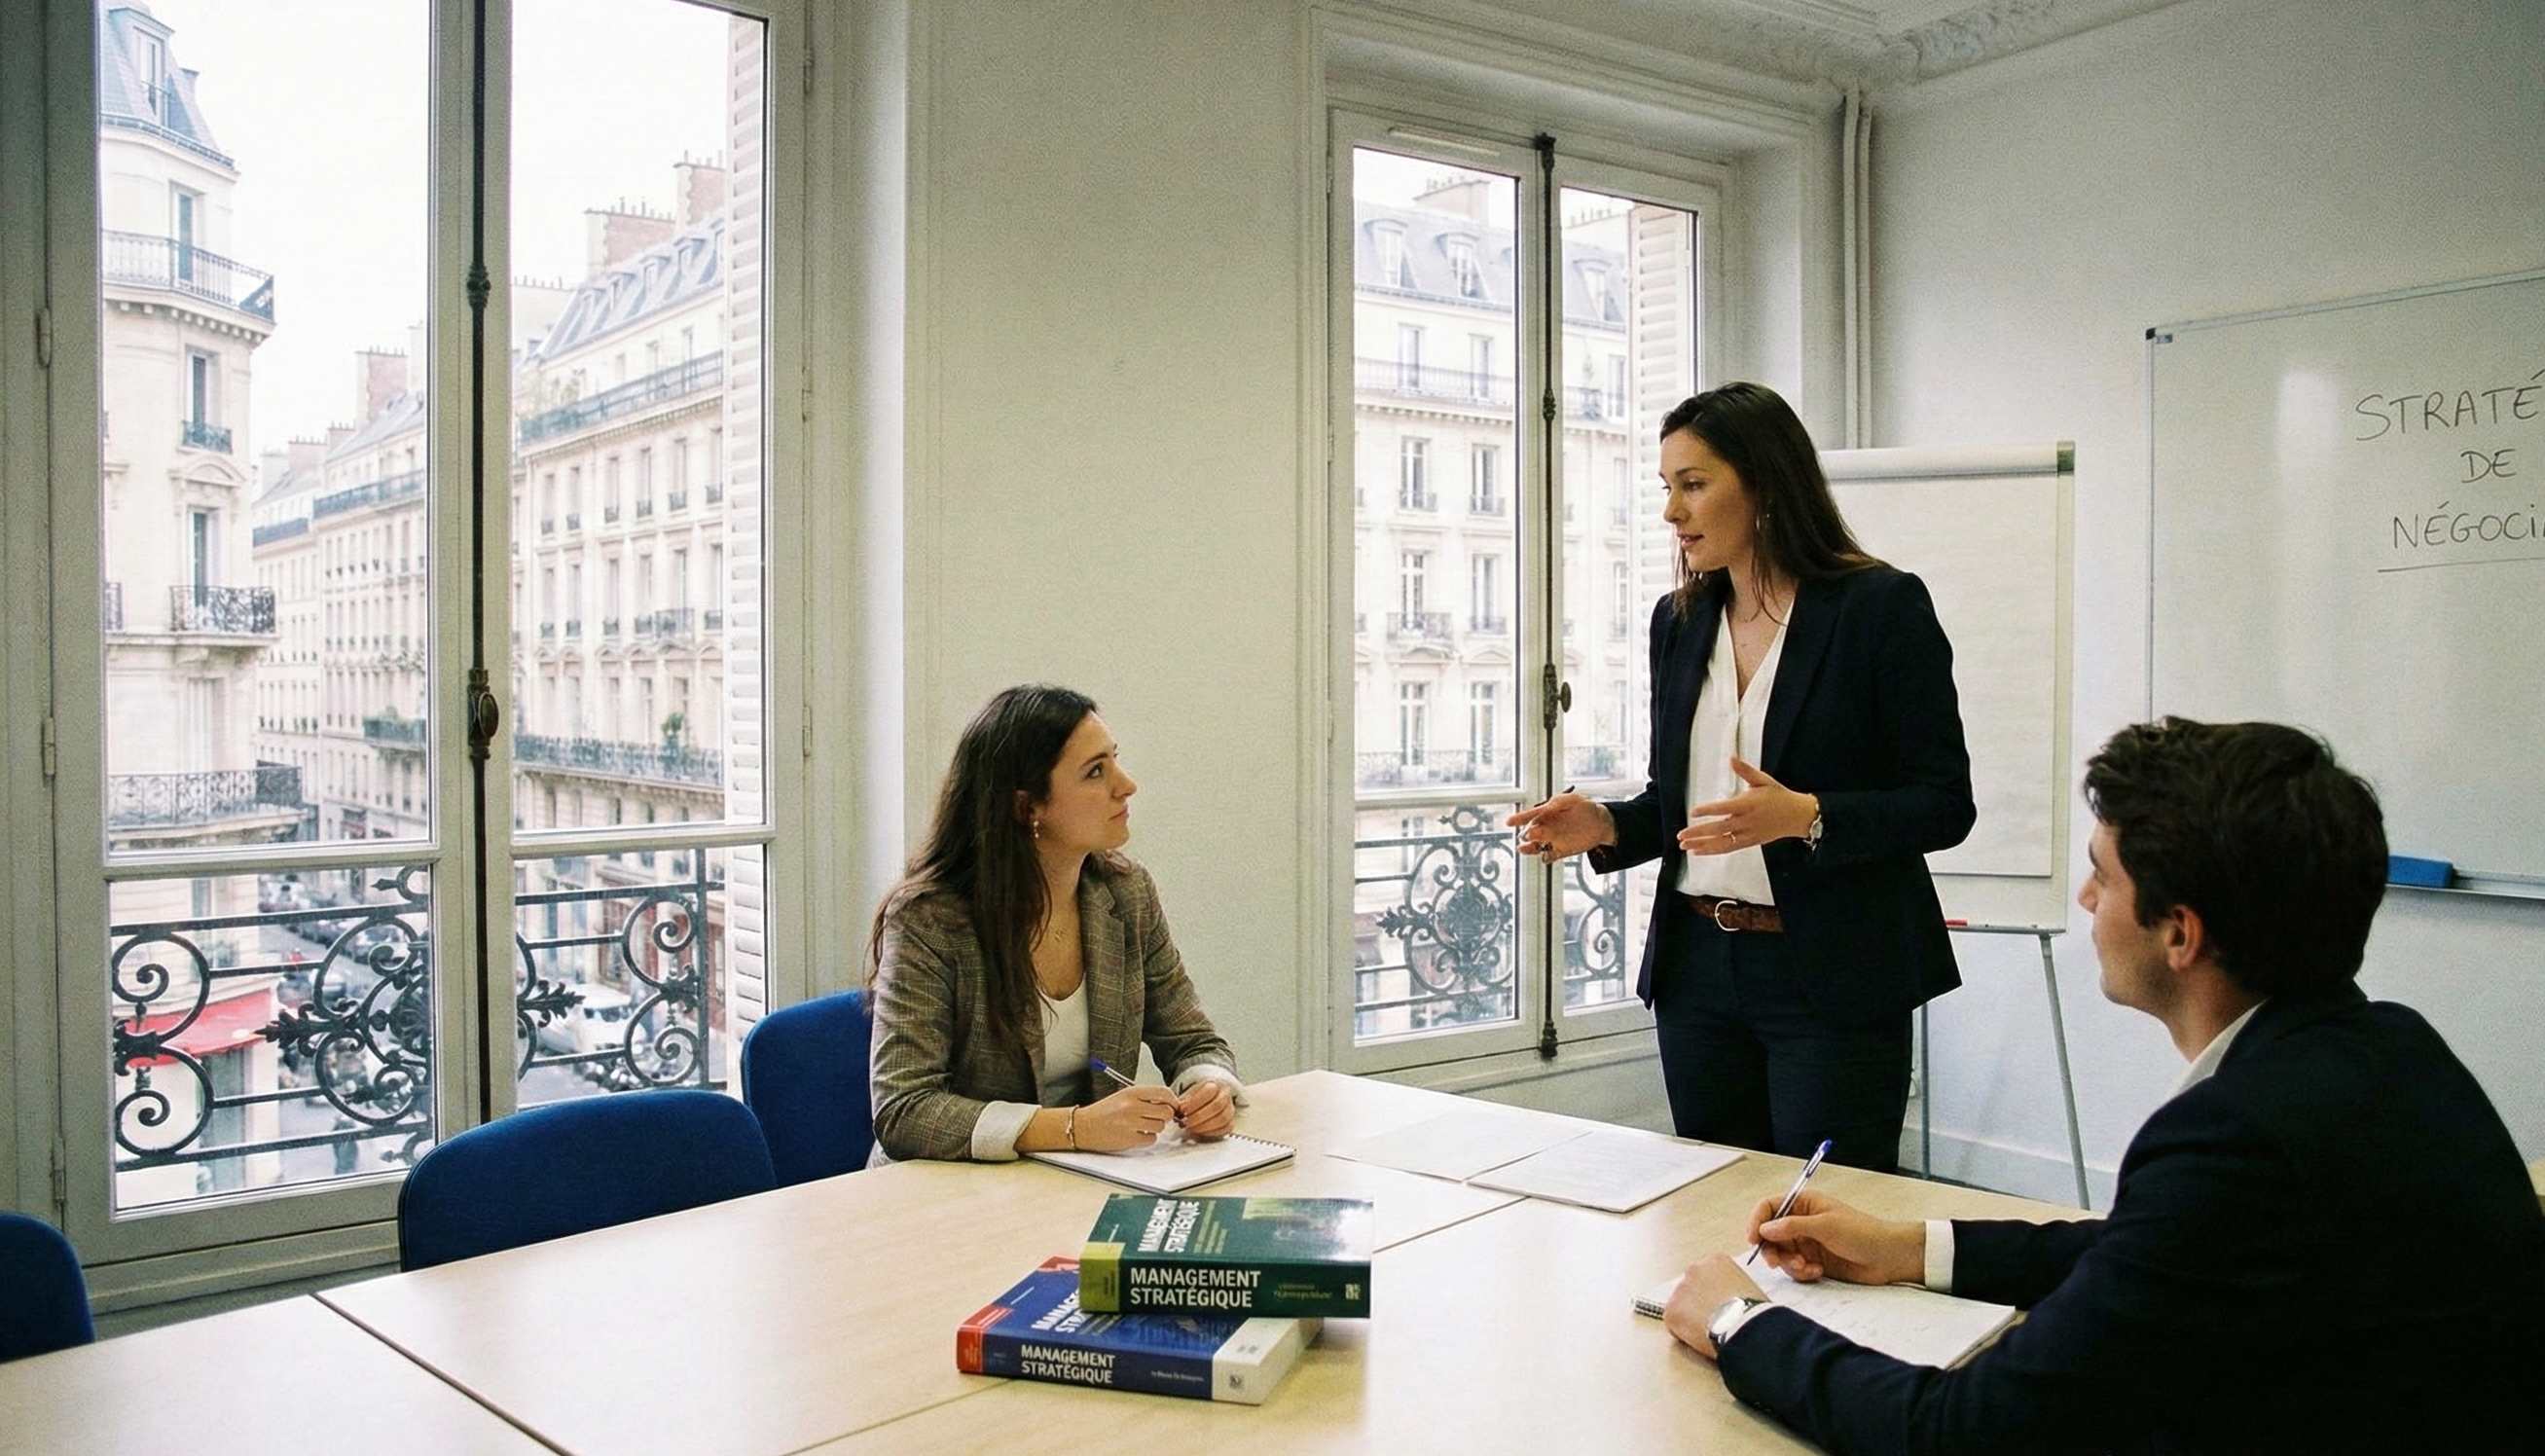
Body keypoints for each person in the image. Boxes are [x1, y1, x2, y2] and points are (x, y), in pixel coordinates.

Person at [1664, 717, 2545, 1454]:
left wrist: (1741, 1324)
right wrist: (1909, 1249)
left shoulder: (2234, 1136)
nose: (2085, 899)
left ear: (2179, 934)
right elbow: (2141, 1254)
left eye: (2105, 875)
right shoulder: (2390, 1049)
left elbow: (1963, 1436)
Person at [1508, 382, 1973, 1171]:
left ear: (1764, 485)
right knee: (1711, 1206)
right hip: (1697, 972)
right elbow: (1681, 806)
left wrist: (1809, 815)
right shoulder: (1678, 620)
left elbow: (1942, 804)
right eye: (1666, 488)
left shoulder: (1878, 608)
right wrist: (1609, 826)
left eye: (1693, 485)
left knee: (1821, 1224)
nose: (1671, 512)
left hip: (1828, 974)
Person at [865, 684, 1243, 1165]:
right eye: (1094, 772)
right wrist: (1074, 1127)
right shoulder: (930, 921)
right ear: (1027, 808)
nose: (1126, 785)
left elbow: (1193, 1039)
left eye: (1115, 760)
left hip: (1083, 1178)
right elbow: (904, 1109)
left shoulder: (1126, 893)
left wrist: (1209, 1086)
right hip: (945, 1190)